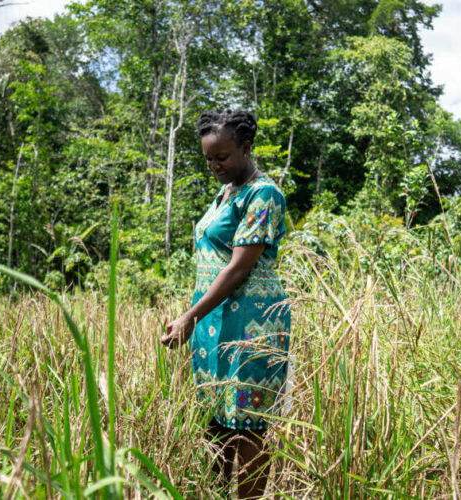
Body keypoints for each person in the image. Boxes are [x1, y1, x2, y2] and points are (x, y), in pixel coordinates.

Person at [160, 109, 291, 498]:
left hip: (252, 322)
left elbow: (238, 270)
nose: (214, 165)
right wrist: (195, 317)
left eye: (222, 157)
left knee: (248, 422)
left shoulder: (263, 193)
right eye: (208, 159)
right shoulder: (226, 193)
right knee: (215, 417)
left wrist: (190, 315)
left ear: (246, 148)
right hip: (212, 322)